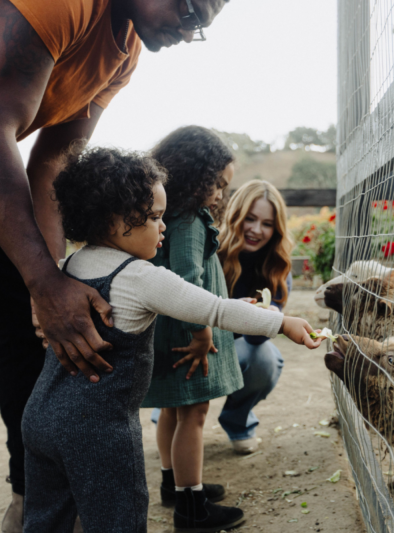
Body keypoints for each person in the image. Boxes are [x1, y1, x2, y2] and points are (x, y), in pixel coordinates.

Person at [0, 1, 228, 530]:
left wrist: (59, 272)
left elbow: (53, 164)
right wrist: (42, 280)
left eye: (202, 23)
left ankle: (34, 495)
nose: (190, 28)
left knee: (34, 324)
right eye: (188, 7)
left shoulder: (126, 53)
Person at [21, 146, 322, 533]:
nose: (164, 227)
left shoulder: (67, 267)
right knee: (118, 521)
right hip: (99, 429)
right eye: (155, 217)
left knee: (47, 521)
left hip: (40, 416)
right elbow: (214, 310)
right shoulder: (142, 277)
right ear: (116, 221)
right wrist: (281, 323)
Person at [141, 127, 249, 528]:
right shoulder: (188, 219)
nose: (220, 194)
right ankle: (192, 506)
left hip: (172, 329)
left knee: (173, 408)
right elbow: (187, 278)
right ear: (194, 174)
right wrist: (202, 333)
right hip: (189, 332)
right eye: (217, 184)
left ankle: (174, 483)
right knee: (195, 413)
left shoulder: (173, 214)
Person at [217, 180, 295, 453]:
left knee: (266, 359)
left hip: (241, 349)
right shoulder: (212, 253)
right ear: (236, 215)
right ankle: (172, 406)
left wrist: (267, 318)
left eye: (267, 223)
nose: (256, 230)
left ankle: (238, 422)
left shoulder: (278, 267)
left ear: (276, 228)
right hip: (202, 341)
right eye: (250, 219)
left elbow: (256, 340)